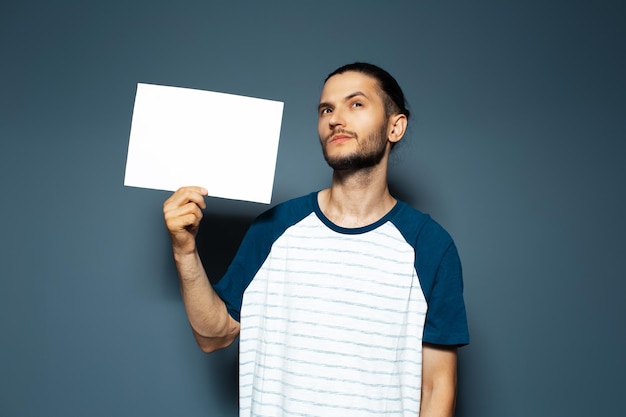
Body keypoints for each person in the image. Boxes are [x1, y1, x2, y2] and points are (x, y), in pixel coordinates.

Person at [163, 63, 469, 417]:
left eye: (355, 104)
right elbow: (213, 335)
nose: (335, 119)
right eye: (327, 109)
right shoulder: (274, 229)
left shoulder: (429, 246)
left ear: (395, 126)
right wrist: (184, 250)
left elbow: (436, 389)